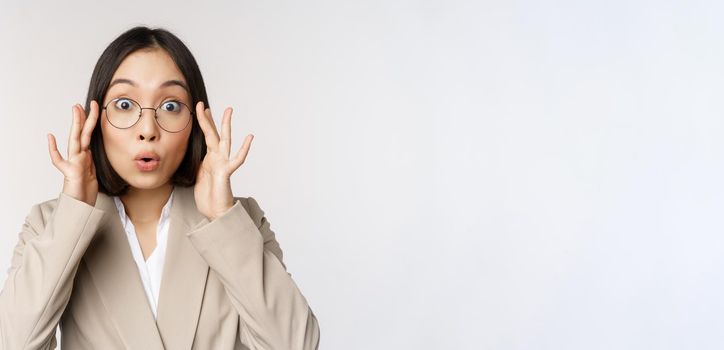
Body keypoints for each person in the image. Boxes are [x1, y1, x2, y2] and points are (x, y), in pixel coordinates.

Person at [0, 26, 320, 349]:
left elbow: (296, 344)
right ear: (95, 119)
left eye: (170, 106)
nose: (148, 130)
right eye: (125, 105)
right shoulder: (50, 224)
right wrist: (73, 214)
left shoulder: (239, 220)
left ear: (196, 120)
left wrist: (222, 217)